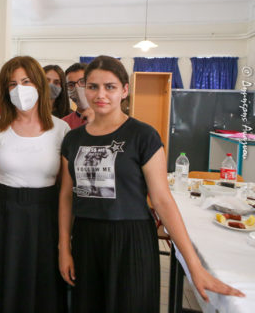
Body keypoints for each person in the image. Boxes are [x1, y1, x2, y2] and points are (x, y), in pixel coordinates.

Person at [58, 55, 244, 313]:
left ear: (124, 90)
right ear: (84, 89)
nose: (101, 94)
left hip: (131, 239)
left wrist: (194, 265)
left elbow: (162, 200)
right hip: (86, 239)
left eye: (110, 87)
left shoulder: (143, 135)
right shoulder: (73, 139)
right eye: (93, 86)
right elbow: (67, 196)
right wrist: (64, 247)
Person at [0, 56, 70, 313]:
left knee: (41, 286)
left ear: (39, 85)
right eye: (12, 84)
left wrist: (64, 240)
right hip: (2, 215)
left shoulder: (61, 129)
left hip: (44, 218)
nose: (19, 89)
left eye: (26, 81)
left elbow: (66, 191)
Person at [62, 63, 94, 129]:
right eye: (71, 85)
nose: (77, 88)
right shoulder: (63, 124)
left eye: (82, 82)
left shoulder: (111, 119)